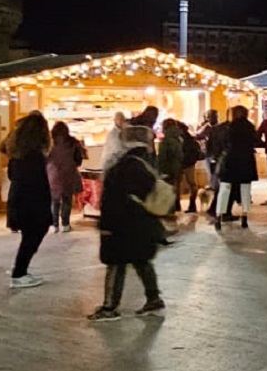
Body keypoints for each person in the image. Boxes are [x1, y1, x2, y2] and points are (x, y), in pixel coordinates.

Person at [86, 125, 166, 321]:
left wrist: (106, 226)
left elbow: (113, 200)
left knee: (116, 263)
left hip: (121, 224)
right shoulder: (144, 163)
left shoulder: (122, 166)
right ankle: (153, 299)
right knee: (141, 261)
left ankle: (109, 307)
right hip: (142, 223)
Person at [6, 113, 53, 288]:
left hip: (19, 197)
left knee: (29, 236)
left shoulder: (18, 153)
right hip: (33, 200)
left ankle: (20, 269)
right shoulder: (35, 156)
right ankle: (19, 272)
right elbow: (37, 182)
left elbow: (12, 175)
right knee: (33, 235)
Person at [214, 105, 257, 230]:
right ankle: (244, 217)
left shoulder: (228, 127)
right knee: (245, 189)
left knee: (225, 189)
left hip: (230, 161)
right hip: (246, 162)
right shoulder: (250, 127)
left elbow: (223, 144)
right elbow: (255, 141)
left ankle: (218, 216)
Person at [46, 121, 85, 233]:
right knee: (67, 199)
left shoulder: (50, 142)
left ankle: (54, 225)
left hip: (53, 173)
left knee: (54, 200)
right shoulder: (73, 142)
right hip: (69, 172)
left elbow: (45, 157)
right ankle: (66, 224)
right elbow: (79, 158)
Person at [157, 118, 185, 214]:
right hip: (178, 167)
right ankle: (176, 206)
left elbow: (162, 157)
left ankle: (170, 209)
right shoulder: (179, 138)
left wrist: (161, 170)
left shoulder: (166, 141)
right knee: (176, 188)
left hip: (168, 169)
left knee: (168, 190)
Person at [177, 122, 202, 213]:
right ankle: (192, 204)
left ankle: (178, 204)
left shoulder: (180, 139)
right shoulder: (190, 139)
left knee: (178, 184)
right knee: (192, 184)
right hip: (190, 164)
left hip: (183, 164)